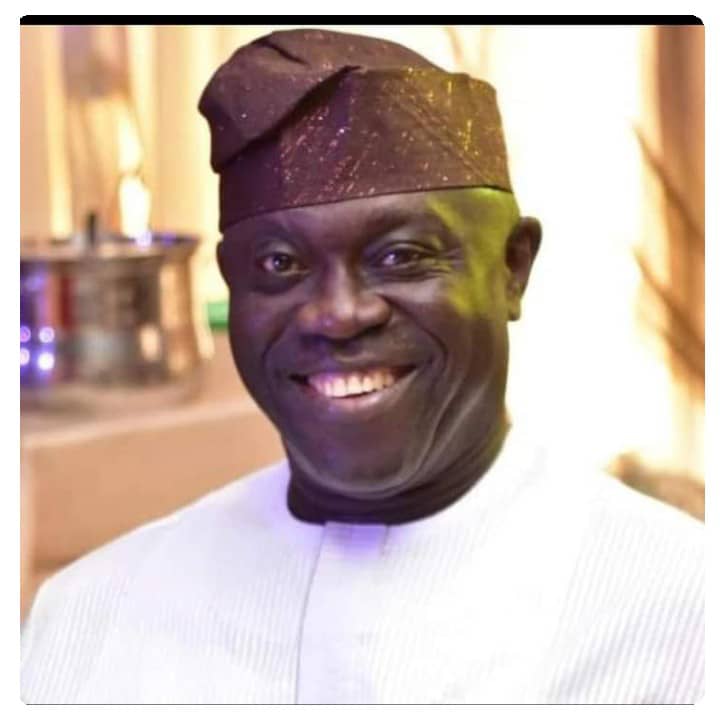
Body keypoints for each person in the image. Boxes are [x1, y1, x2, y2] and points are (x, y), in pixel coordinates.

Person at [21, 29, 703, 704]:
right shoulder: (94, 618)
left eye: (400, 256)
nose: (338, 314)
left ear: (511, 269)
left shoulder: (685, 613)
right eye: (280, 264)